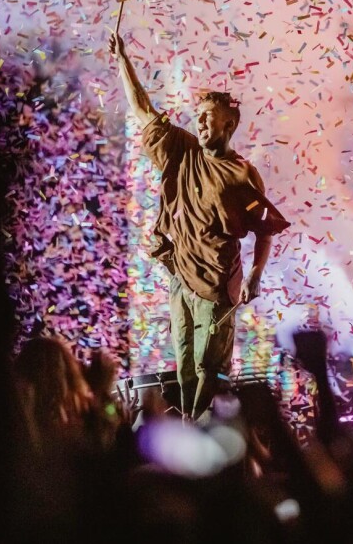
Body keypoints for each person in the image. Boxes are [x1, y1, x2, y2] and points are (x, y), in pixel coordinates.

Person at [109, 30, 290, 419]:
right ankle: (192, 432)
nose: (201, 121)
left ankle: (205, 441)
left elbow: (264, 230)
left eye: (210, 117)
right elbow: (143, 110)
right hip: (181, 277)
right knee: (187, 367)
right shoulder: (182, 150)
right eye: (200, 115)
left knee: (212, 370)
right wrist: (123, 61)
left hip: (217, 285)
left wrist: (255, 276)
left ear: (229, 125)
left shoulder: (242, 176)